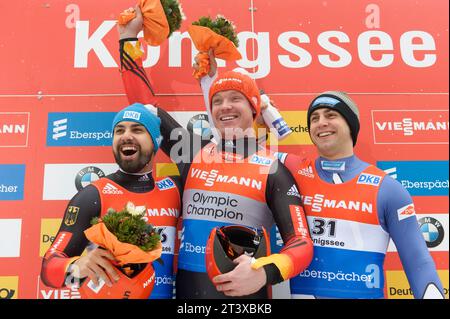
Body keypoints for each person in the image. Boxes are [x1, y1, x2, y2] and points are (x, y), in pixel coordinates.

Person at [118, 7, 313, 299]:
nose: (225, 106)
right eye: (218, 100)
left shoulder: (273, 167)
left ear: (254, 108)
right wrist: (128, 38)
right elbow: (145, 110)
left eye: (236, 98)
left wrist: (264, 271)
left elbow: (300, 243)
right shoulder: (192, 151)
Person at [275, 91, 445, 299]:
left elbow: (418, 262)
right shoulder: (290, 170)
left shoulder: (387, 189)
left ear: (351, 124)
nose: (321, 123)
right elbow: (240, 153)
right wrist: (255, 105)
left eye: (330, 115)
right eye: (314, 118)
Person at [40, 103, 182, 299]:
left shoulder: (174, 190)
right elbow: (48, 269)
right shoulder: (93, 195)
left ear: (155, 141)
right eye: (119, 130)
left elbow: (205, 159)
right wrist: (75, 266)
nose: (126, 135)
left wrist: (161, 115)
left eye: (138, 129)